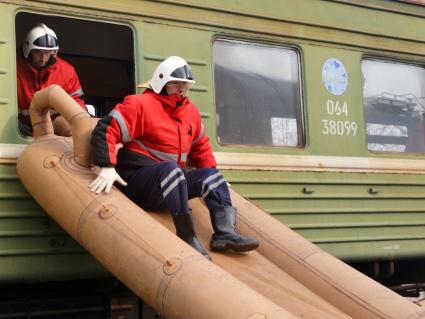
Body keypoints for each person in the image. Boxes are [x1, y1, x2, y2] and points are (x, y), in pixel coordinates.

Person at [89, 56, 259, 259]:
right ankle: (187, 237)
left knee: (212, 175)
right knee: (171, 168)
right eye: (175, 83)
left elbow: (201, 147)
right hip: (138, 182)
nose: (181, 88)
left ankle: (225, 234)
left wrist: (217, 181)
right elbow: (106, 129)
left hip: (171, 183)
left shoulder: (191, 113)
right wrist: (107, 166)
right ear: (161, 82)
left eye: (185, 85)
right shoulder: (139, 104)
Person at [17, 23, 86, 136]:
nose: (43, 58)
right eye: (38, 52)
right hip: (20, 133)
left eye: (47, 53)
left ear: (54, 52)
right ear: (28, 50)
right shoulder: (14, 69)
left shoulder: (67, 72)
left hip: (55, 133)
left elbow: (77, 104)